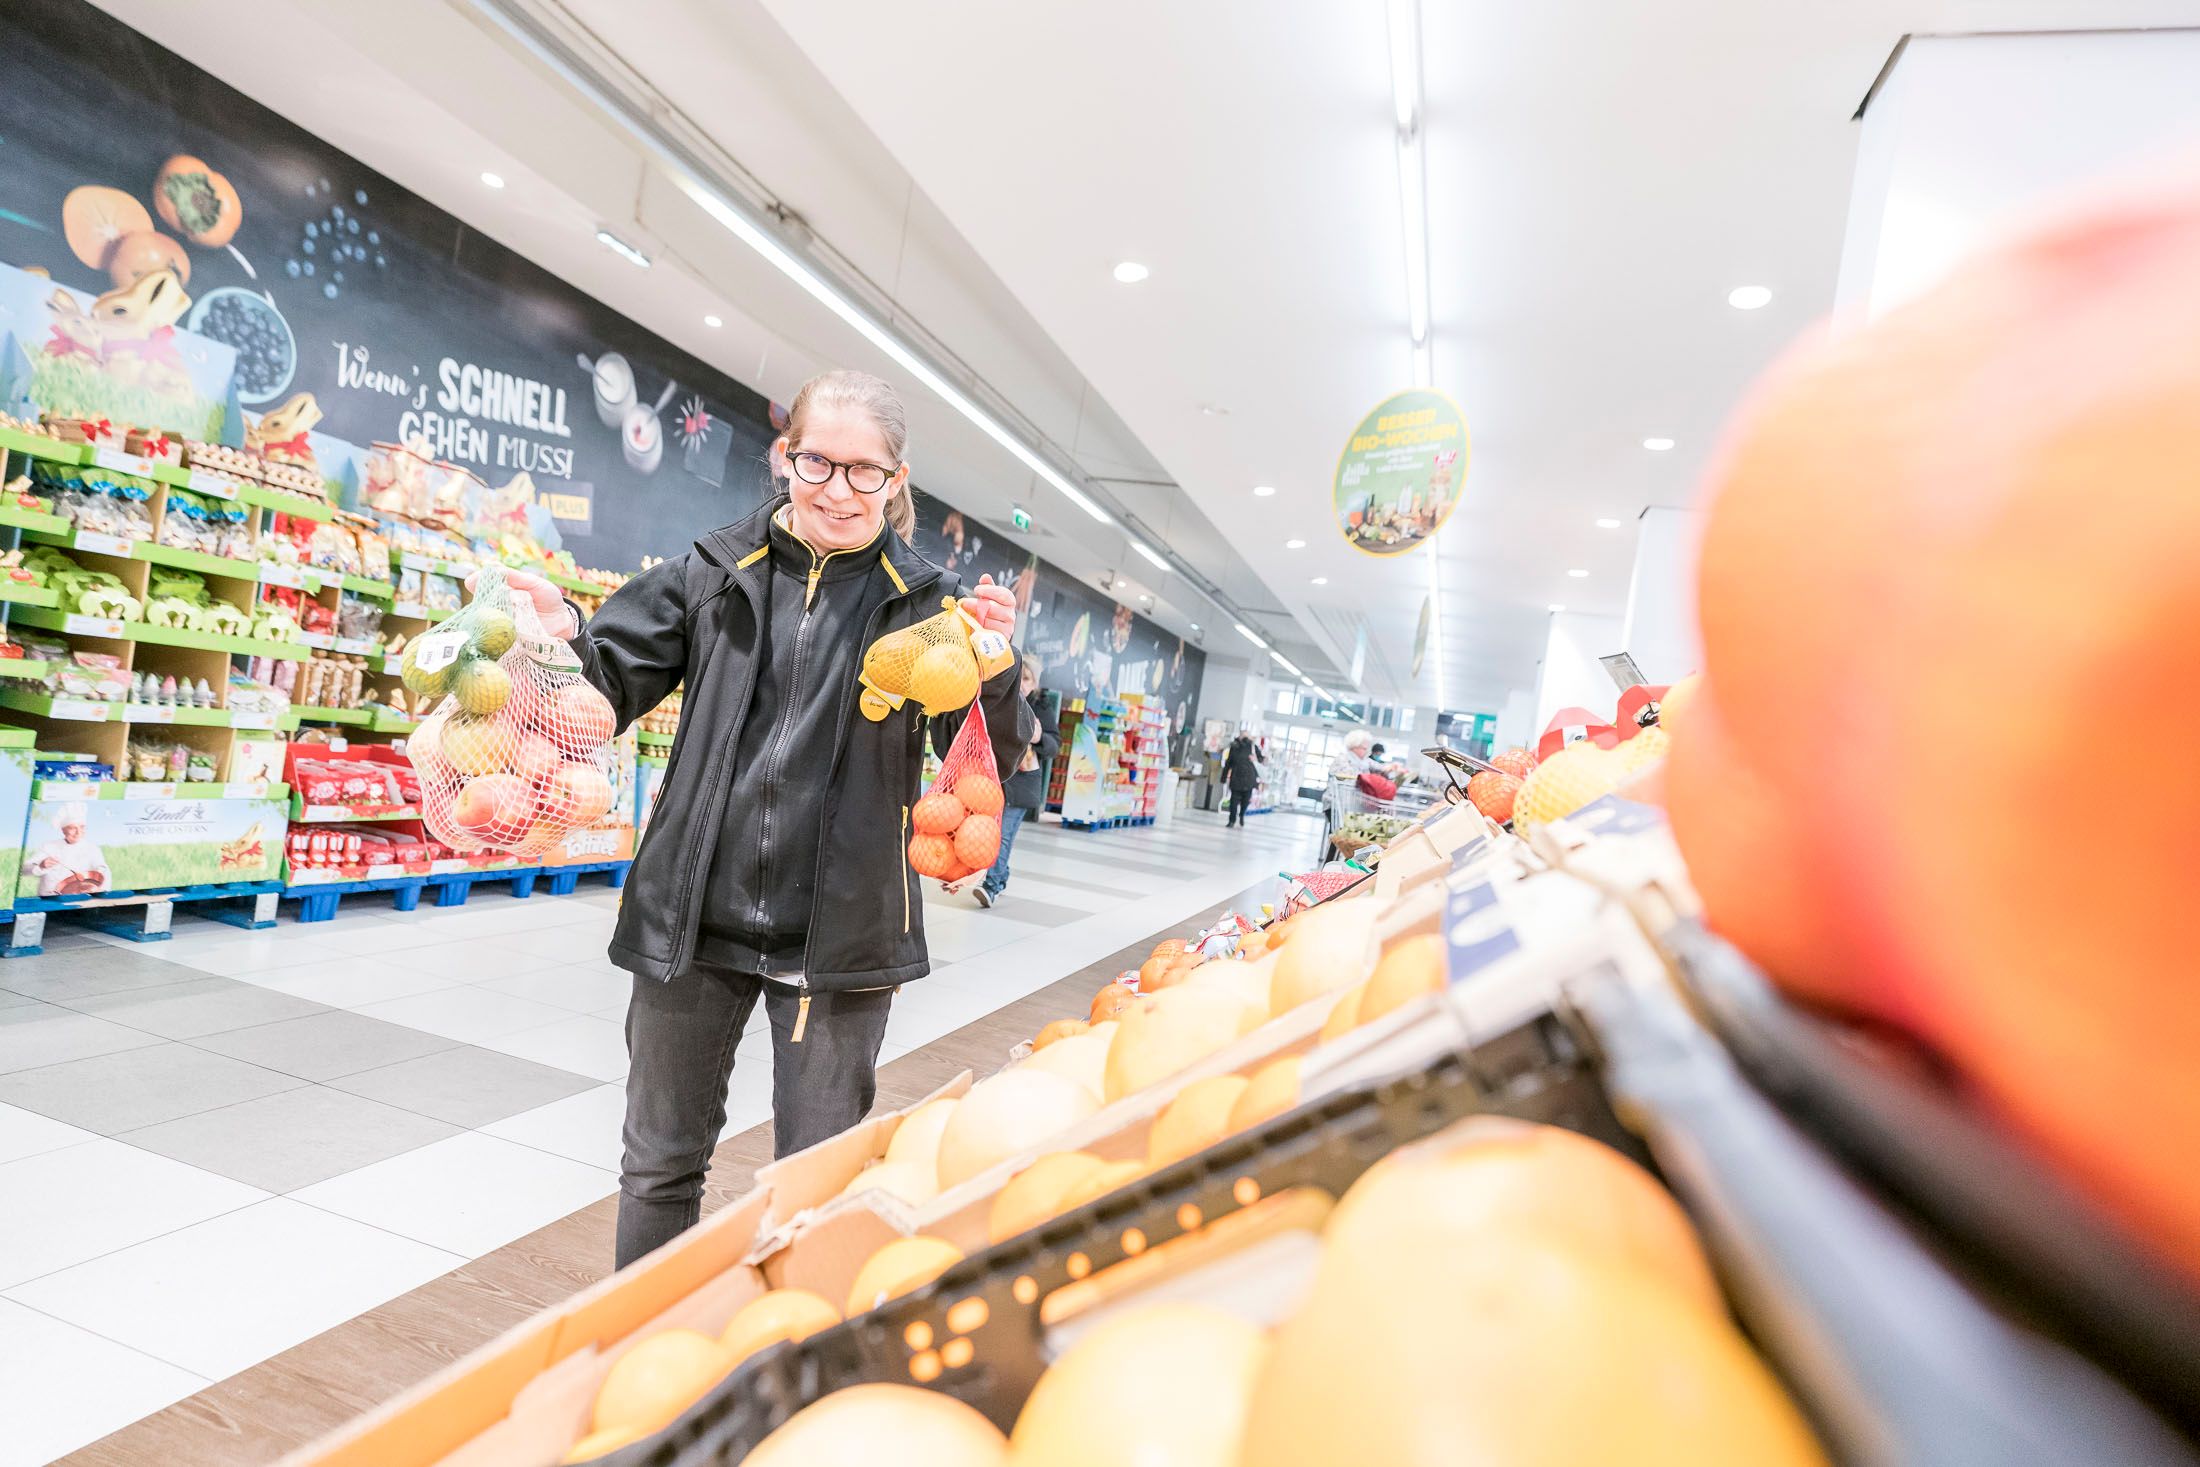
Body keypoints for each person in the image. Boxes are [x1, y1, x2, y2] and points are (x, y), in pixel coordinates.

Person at [500, 369, 1034, 1269]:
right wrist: (560, 641)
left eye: (865, 471)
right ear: (786, 458)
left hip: (842, 937)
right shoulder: (714, 571)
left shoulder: (930, 607)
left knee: (815, 1189)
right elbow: (606, 684)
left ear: (897, 481)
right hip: (694, 921)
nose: (837, 488)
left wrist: (1000, 668)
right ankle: (648, 1353)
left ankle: (782, 1358)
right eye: (818, 461)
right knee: (659, 1164)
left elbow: (994, 756)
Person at [975, 658, 1057, 909]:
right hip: (993, 779)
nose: (1021, 683)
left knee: (1003, 836)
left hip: (1021, 784)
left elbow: (1054, 746)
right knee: (990, 834)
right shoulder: (999, 700)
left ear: (1036, 684)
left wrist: (1040, 736)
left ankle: (991, 885)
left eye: (1027, 679)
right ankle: (1001, 876)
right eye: (1018, 676)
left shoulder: (1040, 709)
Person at [31, 803, 108, 897]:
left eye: (82, 827)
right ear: (63, 830)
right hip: (48, 898)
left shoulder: (92, 849)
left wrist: (96, 888)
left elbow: (103, 870)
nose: (78, 832)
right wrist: (41, 866)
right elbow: (24, 869)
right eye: (72, 828)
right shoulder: (48, 847)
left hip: (79, 898)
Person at [1223, 732, 1261, 827]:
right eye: (1242, 735)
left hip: (1249, 778)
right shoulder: (1234, 747)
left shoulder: (1253, 747)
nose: (1244, 738)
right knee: (1233, 801)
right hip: (1236, 777)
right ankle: (1232, 820)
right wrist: (1223, 777)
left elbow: (1261, 760)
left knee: (1246, 801)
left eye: (1245, 736)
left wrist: (1256, 759)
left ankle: (1242, 814)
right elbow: (1228, 763)